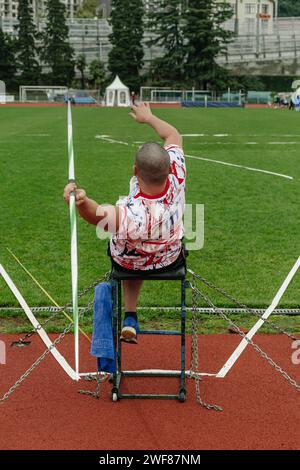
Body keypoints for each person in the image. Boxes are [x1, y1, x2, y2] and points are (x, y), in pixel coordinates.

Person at [64, 102, 185, 344]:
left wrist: (80, 200)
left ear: (134, 171)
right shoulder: (178, 173)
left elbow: (96, 217)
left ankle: (131, 314)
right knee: (139, 247)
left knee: (130, 248)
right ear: (169, 168)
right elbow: (173, 135)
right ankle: (129, 317)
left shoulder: (129, 212)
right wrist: (149, 117)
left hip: (129, 262)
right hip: (170, 257)